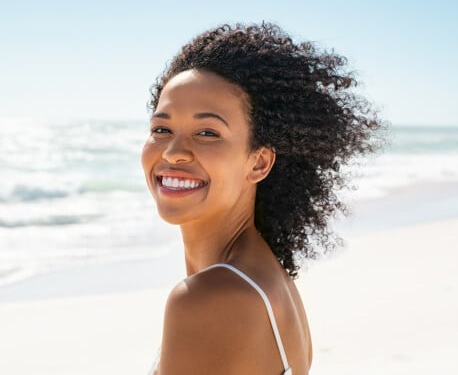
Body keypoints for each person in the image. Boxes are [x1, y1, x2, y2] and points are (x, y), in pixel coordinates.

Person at [141, 22, 382, 375]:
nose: (174, 152)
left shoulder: (210, 298)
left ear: (259, 162)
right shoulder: (268, 280)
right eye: (161, 129)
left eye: (208, 132)